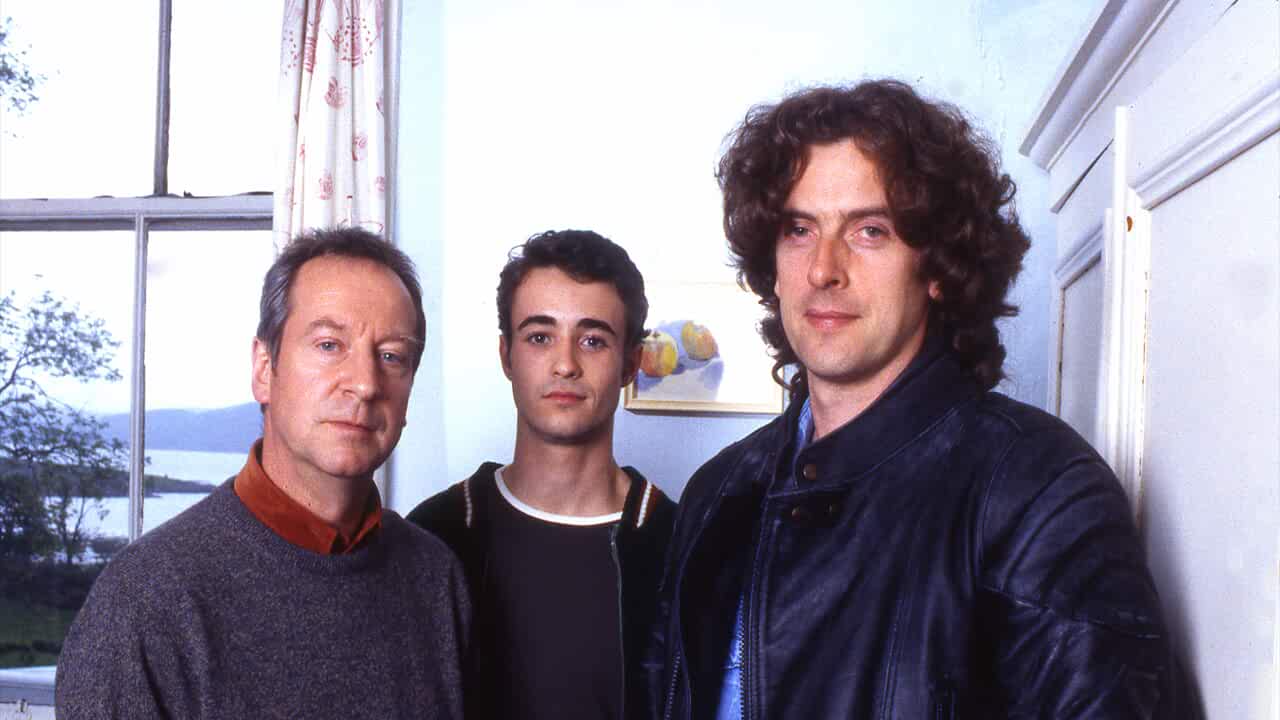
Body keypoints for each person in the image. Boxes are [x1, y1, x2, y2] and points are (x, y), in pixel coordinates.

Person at [649, 80, 1187, 718]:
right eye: (799, 229)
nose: (823, 268)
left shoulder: (1040, 489)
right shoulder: (717, 491)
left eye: (869, 230)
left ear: (936, 267)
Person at [56, 227, 469, 719]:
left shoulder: (435, 578)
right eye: (329, 345)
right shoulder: (145, 601)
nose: (364, 383)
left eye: (391, 356)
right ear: (263, 369)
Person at [408, 229, 674, 720]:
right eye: (539, 337)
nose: (565, 364)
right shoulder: (436, 532)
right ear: (506, 356)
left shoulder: (677, 543)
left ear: (630, 364)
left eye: (593, 340)